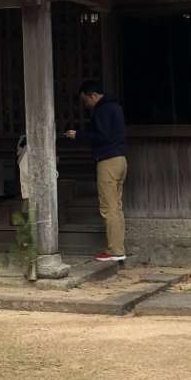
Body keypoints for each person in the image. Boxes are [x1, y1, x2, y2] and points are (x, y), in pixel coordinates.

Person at [63, 80, 127, 264]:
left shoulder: (103, 109)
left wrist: (79, 135)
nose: (86, 105)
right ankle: (118, 247)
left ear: (93, 95)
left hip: (108, 160)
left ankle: (115, 250)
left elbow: (102, 137)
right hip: (120, 159)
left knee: (109, 207)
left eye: (86, 101)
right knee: (116, 206)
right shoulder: (115, 106)